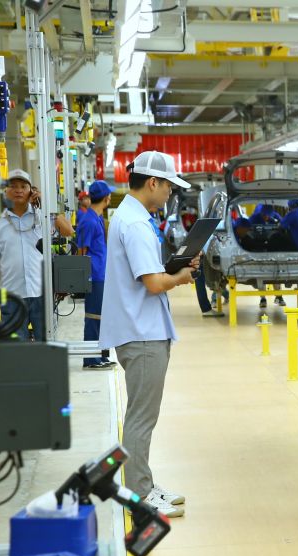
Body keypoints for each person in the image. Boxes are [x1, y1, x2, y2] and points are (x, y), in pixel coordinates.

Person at [99, 151, 196, 518]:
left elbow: (149, 273)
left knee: (143, 414)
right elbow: (154, 283)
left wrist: (175, 267)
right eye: (169, 184)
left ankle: (144, 483)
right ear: (152, 182)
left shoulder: (130, 217)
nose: (171, 191)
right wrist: (181, 277)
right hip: (141, 333)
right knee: (142, 416)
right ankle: (138, 494)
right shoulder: (136, 224)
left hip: (140, 329)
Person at [0, 169, 74, 341]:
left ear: (32, 191)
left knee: (47, 346)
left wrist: (46, 205)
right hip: (12, 295)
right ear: (5, 191)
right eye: (13, 186)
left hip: (42, 293)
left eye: (23, 186)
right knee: (16, 347)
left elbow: (68, 232)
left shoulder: (42, 216)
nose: (18, 190)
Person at [76, 180, 114, 368]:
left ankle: (101, 355)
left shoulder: (96, 218)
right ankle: (90, 359)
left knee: (101, 316)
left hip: (102, 274)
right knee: (93, 317)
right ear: (107, 198)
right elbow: (81, 251)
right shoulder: (89, 221)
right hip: (94, 276)